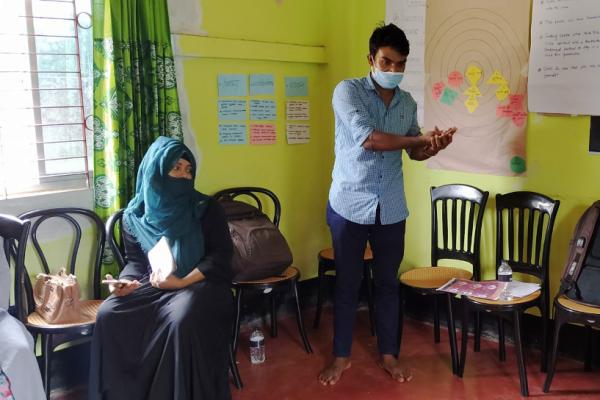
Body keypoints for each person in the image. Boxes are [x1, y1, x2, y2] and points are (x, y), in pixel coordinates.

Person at [318, 23, 456, 386]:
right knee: (347, 284)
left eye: (401, 64)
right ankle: (341, 356)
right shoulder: (347, 92)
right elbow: (371, 140)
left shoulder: (407, 103)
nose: (394, 70)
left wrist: (433, 145)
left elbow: (414, 152)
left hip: (391, 207)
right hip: (349, 202)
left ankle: (389, 355)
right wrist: (418, 138)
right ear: (371, 59)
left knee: (388, 285)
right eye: (387, 62)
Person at [89, 136, 234, 400]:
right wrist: (126, 284)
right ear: (155, 170)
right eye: (175, 168)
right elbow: (136, 263)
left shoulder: (204, 208)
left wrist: (180, 283)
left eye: (188, 169)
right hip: (155, 282)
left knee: (181, 319)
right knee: (109, 312)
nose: (183, 176)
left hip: (201, 282)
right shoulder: (134, 216)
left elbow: (221, 257)